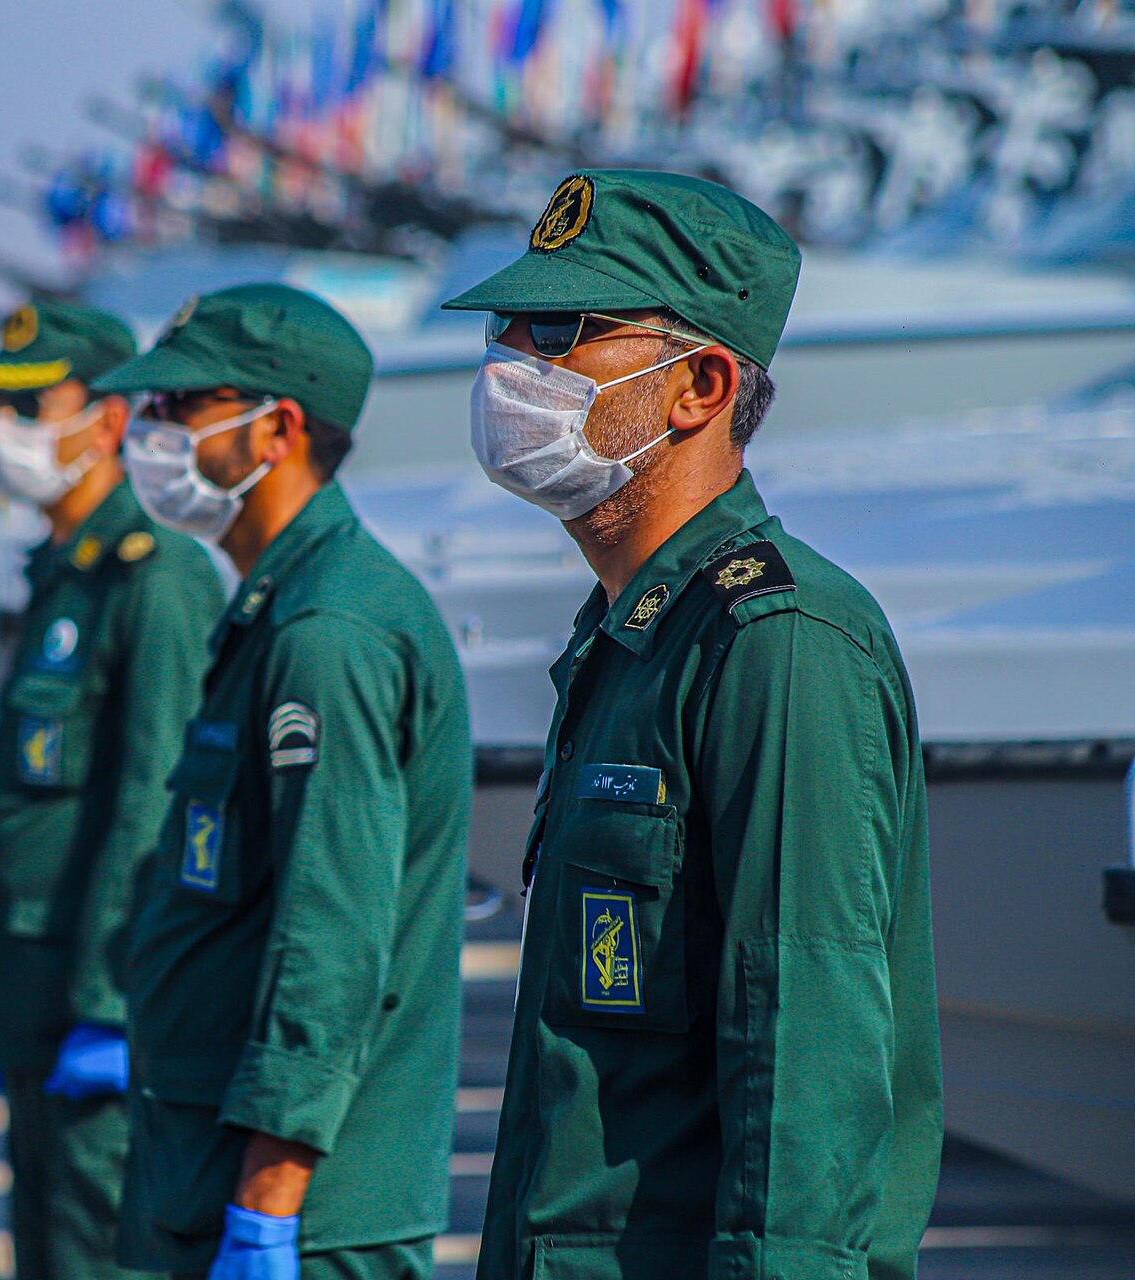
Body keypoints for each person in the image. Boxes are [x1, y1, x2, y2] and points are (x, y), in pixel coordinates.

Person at [443, 170, 942, 1280]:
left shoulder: (777, 641)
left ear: (699, 385)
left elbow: (806, 1051)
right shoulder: (632, 638)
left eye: (562, 331)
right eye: (508, 329)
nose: (511, 363)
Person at [89, 283, 471, 1280]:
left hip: (299, 1205)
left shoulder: (327, 631)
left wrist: (269, 1201)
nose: (151, 430)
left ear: (277, 429)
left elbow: (332, 929)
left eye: (181, 406)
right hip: (213, 1164)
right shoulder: (279, 608)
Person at [0, 299, 223, 1280]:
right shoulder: (63, 570)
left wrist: (109, 1003)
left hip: (98, 1003)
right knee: (42, 1238)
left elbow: (153, 798)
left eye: (35, 407)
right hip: (34, 992)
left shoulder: (150, 575)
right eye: (1, 405)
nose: (9, 433)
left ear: (109, 420)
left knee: (93, 1248)